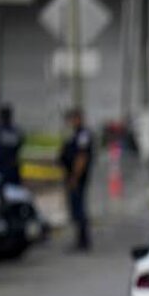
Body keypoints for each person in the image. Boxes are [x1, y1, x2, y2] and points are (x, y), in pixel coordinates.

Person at [58, 108, 95, 251]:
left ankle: (83, 241)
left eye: (73, 119)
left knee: (79, 209)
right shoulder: (75, 134)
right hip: (73, 177)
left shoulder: (83, 134)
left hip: (78, 178)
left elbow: (82, 157)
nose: (71, 122)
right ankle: (80, 240)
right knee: (76, 208)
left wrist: (74, 177)